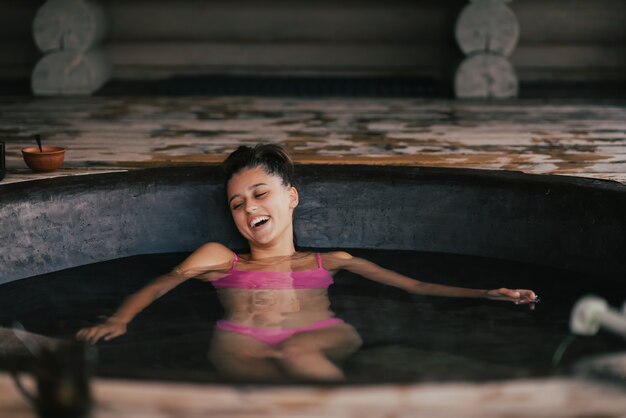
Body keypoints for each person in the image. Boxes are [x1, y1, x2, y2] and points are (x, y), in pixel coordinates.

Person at [76, 144, 537, 382]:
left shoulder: (332, 260)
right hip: (243, 339)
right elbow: (162, 284)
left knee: (299, 353)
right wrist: (120, 319)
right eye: (237, 203)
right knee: (276, 398)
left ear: (290, 197)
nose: (249, 208)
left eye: (260, 194)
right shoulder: (221, 260)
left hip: (320, 335)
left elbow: (412, 286)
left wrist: (485, 294)